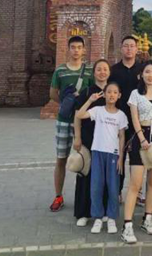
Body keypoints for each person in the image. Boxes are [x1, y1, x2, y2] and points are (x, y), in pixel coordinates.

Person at [121, 62, 152, 244]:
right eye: (147, 72)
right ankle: (127, 225)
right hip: (140, 138)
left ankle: (147, 218)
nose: (151, 75)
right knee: (135, 183)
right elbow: (134, 118)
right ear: (141, 74)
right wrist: (142, 139)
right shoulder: (135, 94)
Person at [74, 81, 127, 235]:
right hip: (97, 152)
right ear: (104, 95)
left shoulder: (121, 115)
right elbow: (79, 115)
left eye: (115, 92)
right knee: (96, 186)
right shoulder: (97, 110)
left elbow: (122, 137)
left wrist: (121, 157)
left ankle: (111, 218)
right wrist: (90, 100)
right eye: (108, 92)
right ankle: (97, 217)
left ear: (119, 95)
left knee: (113, 187)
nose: (111, 95)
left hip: (113, 154)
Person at [49, 35, 93, 212]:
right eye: (73, 47)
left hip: (83, 122)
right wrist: (66, 104)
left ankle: (83, 197)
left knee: (84, 158)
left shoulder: (89, 71)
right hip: (64, 121)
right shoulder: (60, 71)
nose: (76, 50)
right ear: (68, 49)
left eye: (79, 47)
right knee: (61, 158)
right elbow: (53, 93)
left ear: (84, 50)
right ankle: (58, 196)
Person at [72, 58, 111, 227]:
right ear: (94, 73)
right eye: (99, 69)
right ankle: (83, 212)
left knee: (104, 177)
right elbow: (77, 115)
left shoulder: (112, 92)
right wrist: (77, 137)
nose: (102, 72)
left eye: (105, 69)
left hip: (107, 140)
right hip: (89, 138)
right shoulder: (87, 92)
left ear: (109, 72)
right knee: (85, 175)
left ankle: (103, 210)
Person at [110, 36, 144, 194]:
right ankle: (116, 191)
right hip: (118, 119)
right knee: (119, 157)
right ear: (121, 48)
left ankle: (137, 192)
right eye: (126, 46)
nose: (129, 49)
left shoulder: (142, 70)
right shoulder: (114, 71)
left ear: (137, 49)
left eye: (132, 46)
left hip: (138, 121)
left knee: (137, 158)